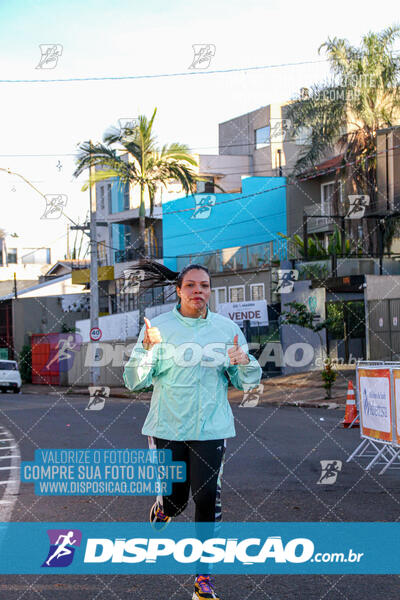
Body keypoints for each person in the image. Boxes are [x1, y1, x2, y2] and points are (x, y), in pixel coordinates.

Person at [123, 262, 262, 600]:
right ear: (179, 291)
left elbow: (248, 381)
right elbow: (134, 382)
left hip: (212, 427)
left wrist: (242, 360)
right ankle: (164, 508)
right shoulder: (158, 327)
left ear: (210, 291)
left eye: (204, 286)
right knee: (177, 499)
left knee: (206, 498)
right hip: (168, 426)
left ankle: (203, 577)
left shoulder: (226, 328)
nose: (198, 291)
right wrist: (147, 349)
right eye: (191, 286)